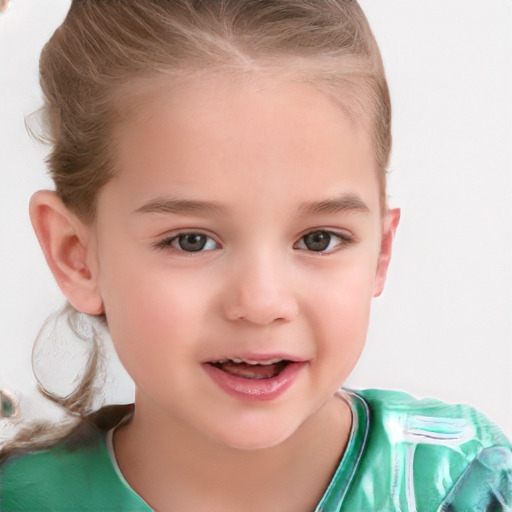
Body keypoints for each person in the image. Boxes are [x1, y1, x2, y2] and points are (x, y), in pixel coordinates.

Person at [0, 1, 510, 511]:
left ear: (381, 251)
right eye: (191, 241)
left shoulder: (465, 484)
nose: (262, 303)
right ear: (76, 256)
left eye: (319, 239)